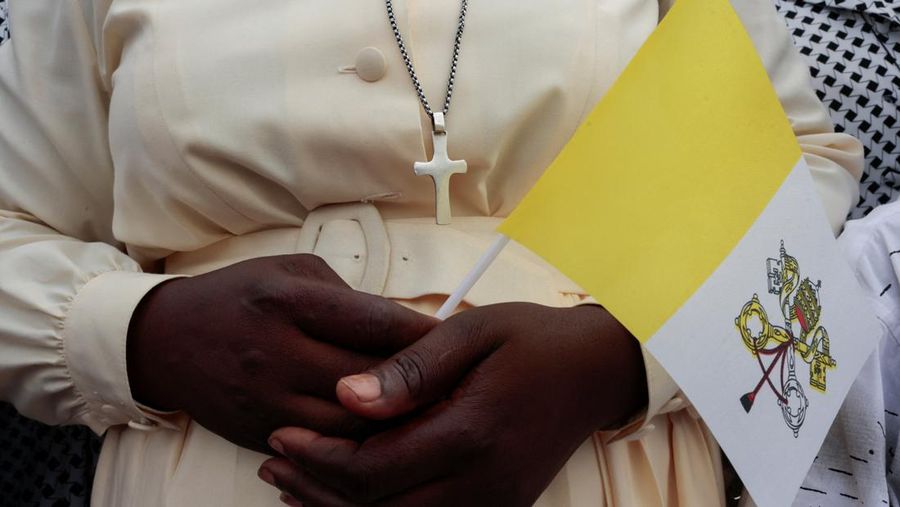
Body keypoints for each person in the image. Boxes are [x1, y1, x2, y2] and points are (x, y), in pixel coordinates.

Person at [0, 0, 863, 505]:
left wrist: (623, 357)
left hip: (597, 466)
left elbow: (794, 176)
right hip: (220, 473)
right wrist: (142, 334)